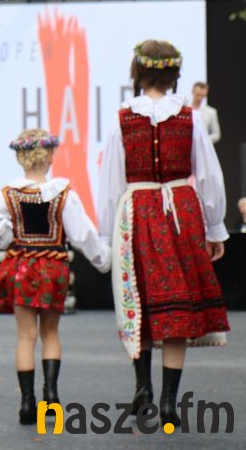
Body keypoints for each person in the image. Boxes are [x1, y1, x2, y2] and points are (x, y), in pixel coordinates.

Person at [97, 40, 229, 427]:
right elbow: (209, 176)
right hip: (181, 213)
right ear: (174, 75)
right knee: (177, 305)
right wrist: (215, 227)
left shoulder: (122, 119)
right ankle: (169, 400)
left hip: (138, 212)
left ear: (138, 73)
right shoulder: (191, 118)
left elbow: (110, 184)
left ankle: (143, 388)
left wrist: (106, 236)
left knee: (139, 299)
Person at [0, 129, 111, 425]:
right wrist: (104, 259)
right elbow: (82, 235)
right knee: (51, 333)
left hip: (23, 267)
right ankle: (51, 396)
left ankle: (27, 404)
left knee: (26, 336)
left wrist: (9, 238)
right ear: (49, 156)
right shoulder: (63, 194)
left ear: (21, 157)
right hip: (53, 268)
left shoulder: (8, 193)